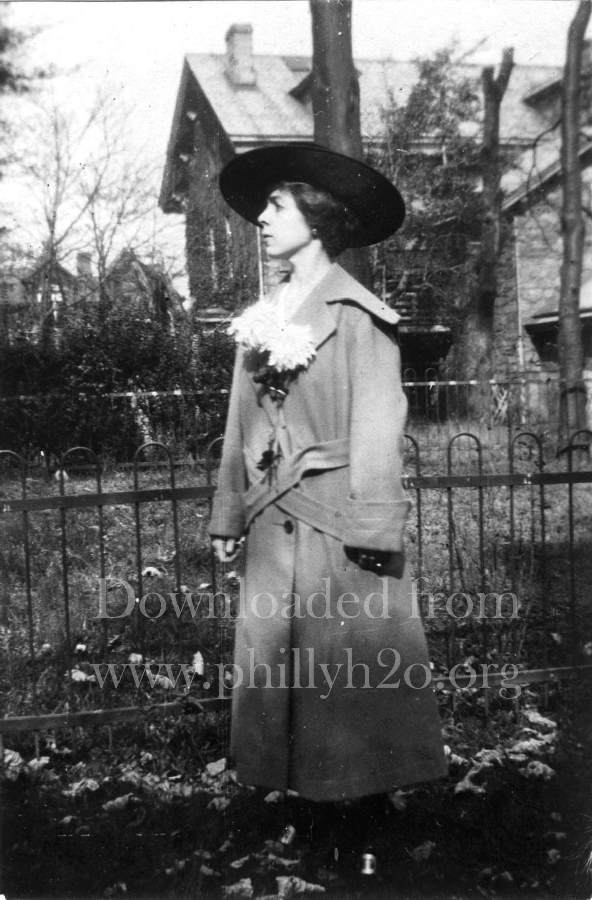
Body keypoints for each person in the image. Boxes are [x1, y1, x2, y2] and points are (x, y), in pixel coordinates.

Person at [209, 143, 446, 861]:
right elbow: (238, 423)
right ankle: (311, 816)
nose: (262, 219)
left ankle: (362, 829)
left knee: (347, 682)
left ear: (315, 215)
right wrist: (228, 513)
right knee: (281, 674)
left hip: (338, 527)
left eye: (276, 206)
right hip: (273, 529)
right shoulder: (262, 315)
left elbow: (379, 424)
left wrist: (371, 527)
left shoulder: (356, 313)